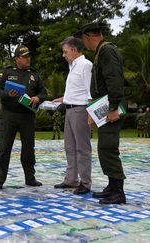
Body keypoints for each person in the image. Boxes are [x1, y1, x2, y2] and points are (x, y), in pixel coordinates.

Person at [75, 22, 126, 204]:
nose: (84, 43)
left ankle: (118, 191)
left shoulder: (106, 51)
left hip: (111, 107)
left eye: (84, 39)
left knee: (108, 148)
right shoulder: (101, 52)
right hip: (105, 105)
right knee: (104, 147)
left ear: (88, 37)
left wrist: (113, 108)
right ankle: (112, 186)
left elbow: (114, 80)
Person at [0, 44, 46, 190]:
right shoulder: (7, 72)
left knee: (29, 149)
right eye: (25, 57)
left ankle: (30, 178)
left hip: (27, 116)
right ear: (17, 59)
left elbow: (43, 92)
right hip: (9, 115)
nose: (28, 59)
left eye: (29, 56)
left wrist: (37, 98)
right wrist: (6, 94)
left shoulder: (34, 74)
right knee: (4, 148)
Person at [52, 36, 92, 195]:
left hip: (81, 110)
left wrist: (90, 113)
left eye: (65, 51)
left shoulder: (85, 65)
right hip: (69, 109)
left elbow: (90, 91)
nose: (63, 55)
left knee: (82, 148)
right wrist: (64, 98)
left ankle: (85, 182)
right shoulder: (73, 66)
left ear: (74, 50)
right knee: (70, 147)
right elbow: (78, 89)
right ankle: (71, 179)